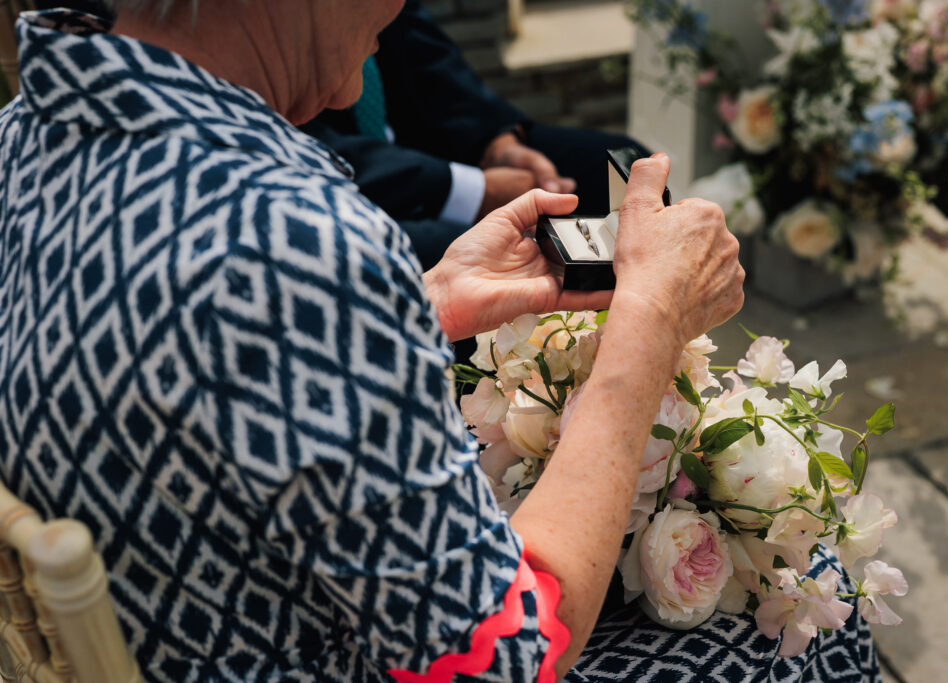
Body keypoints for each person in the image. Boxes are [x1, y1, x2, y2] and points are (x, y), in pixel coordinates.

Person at [0, 4, 877, 683]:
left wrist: (423, 305)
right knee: (818, 624)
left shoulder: (28, 137)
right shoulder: (287, 240)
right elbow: (507, 654)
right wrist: (647, 324)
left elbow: (190, 373)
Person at [301, 0, 646, 269]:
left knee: (619, 164)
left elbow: (423, 51)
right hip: (351, 188)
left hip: (427, 135)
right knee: (490, 251)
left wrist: (495, 142)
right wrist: (473, 189)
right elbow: (310, 146)